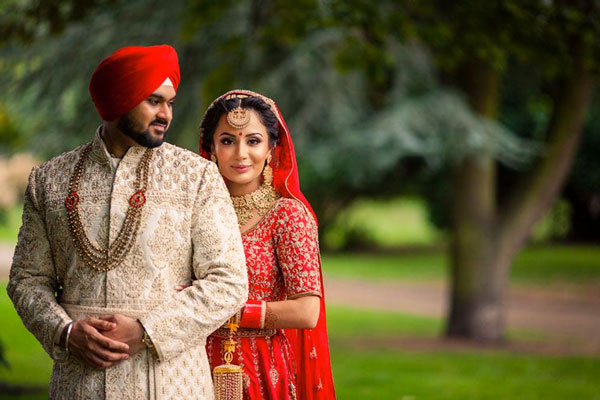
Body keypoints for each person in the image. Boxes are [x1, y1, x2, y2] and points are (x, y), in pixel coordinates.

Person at [7, 45, 248, 400]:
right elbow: (26, 281)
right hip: (79, 385)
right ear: (119, 99)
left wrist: (146, 330)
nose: (165, 113)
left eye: (170, 102)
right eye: (153, 101)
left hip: (172, 384)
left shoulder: (195, 177)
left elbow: (229, 281)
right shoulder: (51, 180)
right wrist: (66, 332)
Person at [196, 89, 336, 399]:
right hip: (191, 366)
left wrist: (227, 312)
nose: (240, 153)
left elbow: (306, 311)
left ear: (272, 148)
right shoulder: (194, 213)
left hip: (260, 368)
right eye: (228, 141)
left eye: (253, 141)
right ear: (211, 148)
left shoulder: (287, 215)